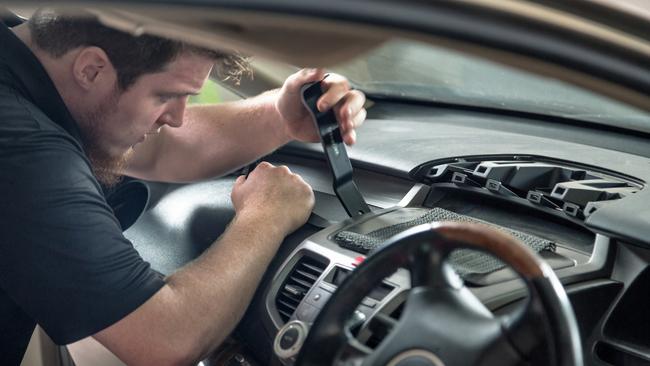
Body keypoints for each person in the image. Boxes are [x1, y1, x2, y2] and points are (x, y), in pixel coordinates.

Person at [0, 8, 366, 365]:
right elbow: (163, 339)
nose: (176, 118)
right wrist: (265, 215)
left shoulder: (20, 57)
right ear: (91, 69)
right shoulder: (22, 146)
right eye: (165, 96)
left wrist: (280, 118)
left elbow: (160, 148)